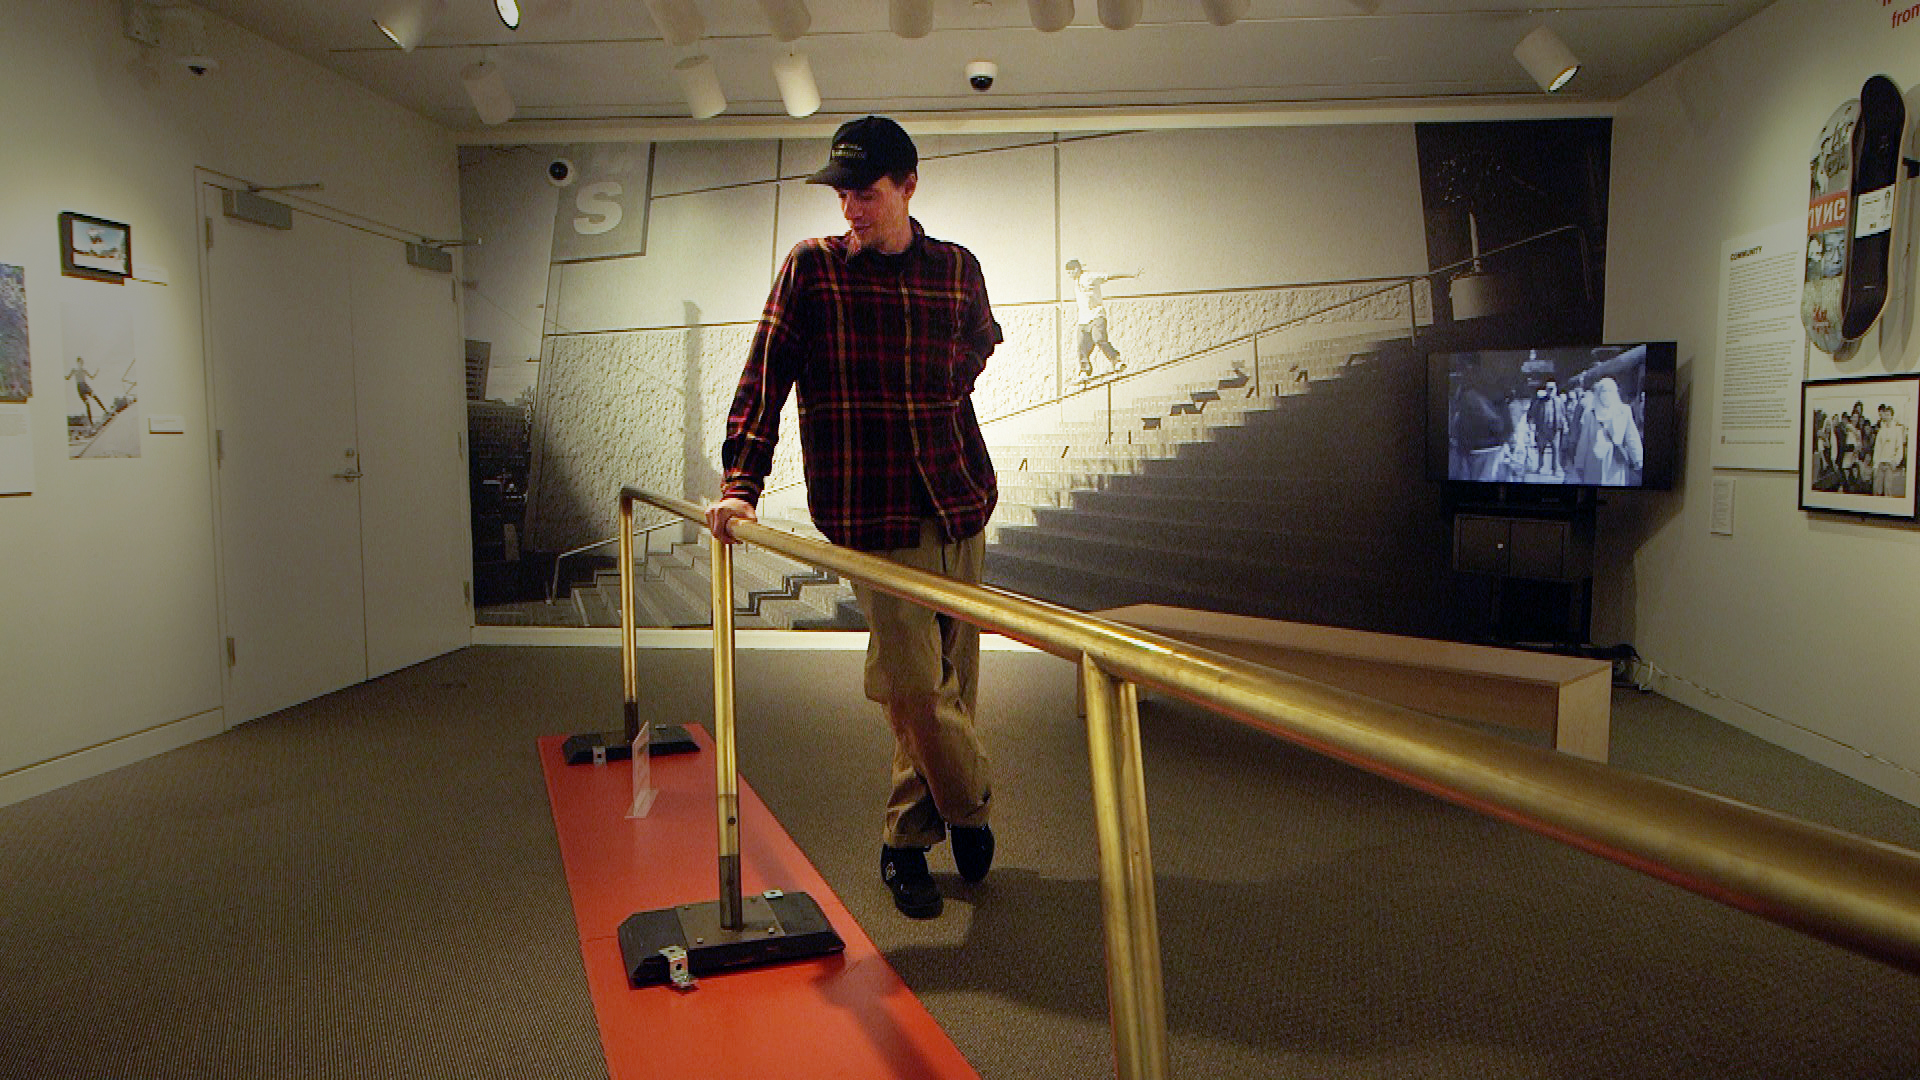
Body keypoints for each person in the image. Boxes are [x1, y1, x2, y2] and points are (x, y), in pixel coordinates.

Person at [705, 116, 1001, 920]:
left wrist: (942, 388)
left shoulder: (957, 270)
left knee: (954, 683)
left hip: (960, 499)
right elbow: (763, 376)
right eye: (842, 194)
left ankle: (906, 841)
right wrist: (743, 481)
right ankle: (969, 807)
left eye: (866, 193)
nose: (852, 210)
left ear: (908, 187)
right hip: (874, 513)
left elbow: (983, 340)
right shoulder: (813, 270)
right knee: (912, 690)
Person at [1064, 259, 1139, 382]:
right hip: (1083, 320)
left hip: (1096, 316)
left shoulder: (1090, 277)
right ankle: (1084, 370)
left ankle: (1116, 360)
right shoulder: (1076, 282)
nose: (1069, 276)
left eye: (1070, 272)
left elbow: (1110, 276)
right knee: (1081, 345)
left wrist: (1131, 274)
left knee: (1098, 338)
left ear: (1076, 269)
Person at [1572, 377, 1643, 485]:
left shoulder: (1624, 411)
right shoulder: (1590, 414)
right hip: (1593, 461)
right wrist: (1579, 463)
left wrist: (1637, 457)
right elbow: (1584, 441)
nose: (1606, 394)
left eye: (1610, 391)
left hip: (1615, 460)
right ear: (1598, 393)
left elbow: (1631, 436)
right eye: (1603, 391)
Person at [1873, 403, 1908, 497]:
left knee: (1888, 489)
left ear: (1892, 416)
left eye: (1889, 415)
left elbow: (1899, 448)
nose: (1887, 417)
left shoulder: (1897, 430)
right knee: (1877, 490)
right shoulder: (1881, 430)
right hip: (1881, 463)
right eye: (1886, 414)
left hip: (1890, 464)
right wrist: (1876, 464)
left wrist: (1895, 462)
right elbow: (1877, 448)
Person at [66, 358, 109, 427]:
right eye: (80, 363)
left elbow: (91, 377)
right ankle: (91, 423)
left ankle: (105, 411)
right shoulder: (74, 370)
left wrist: (96, 372)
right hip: (80, 388)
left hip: (85, 386)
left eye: (82, 363)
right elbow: (67, 378)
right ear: (77, 363)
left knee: (95, 397)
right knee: (87, 404)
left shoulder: (84, 370)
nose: (81, 364)